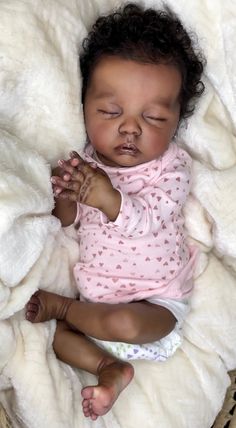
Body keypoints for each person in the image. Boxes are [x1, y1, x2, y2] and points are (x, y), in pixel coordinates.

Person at [25, 3, 205, 420]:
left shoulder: (171, 167)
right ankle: (110, 369)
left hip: (157, 301)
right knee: (58, 342)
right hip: (96, 300)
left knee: (123, 323)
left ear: (176, 120)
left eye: (155, 117)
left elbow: (148, 218)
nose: (130, 128)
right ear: (85, 104)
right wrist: (68, 193)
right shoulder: (87, 163)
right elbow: (66, 222)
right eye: (110, 112)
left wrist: (108, 198)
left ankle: (62, 307)